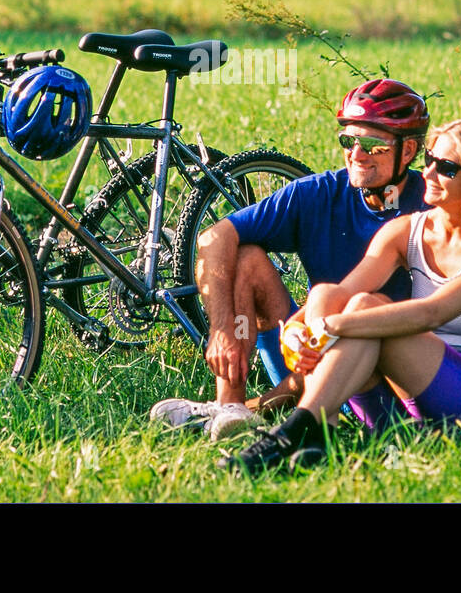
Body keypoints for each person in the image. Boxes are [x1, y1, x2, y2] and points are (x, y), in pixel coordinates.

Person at [221, 115, 461, 474]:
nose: (427, 173)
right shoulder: (406, 231)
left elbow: (433, 314)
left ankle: (295, 431)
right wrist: (299, 329)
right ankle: (320, 430)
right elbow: (339, 293)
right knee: (346, 299)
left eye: (446, 168)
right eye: (429, 160)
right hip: (414, 404)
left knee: (365, 316)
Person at [150, 78, 432, 440]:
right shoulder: (320, 193)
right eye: (348, 140)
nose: (356, 154)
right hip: (311, 351)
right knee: (247, 257)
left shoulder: (433, 203)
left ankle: (270, 410)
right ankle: (230, 409)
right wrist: (222, 329)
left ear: (408, 151)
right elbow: (214, 237)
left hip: (382, 368)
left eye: (372, 145)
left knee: (356, 311)